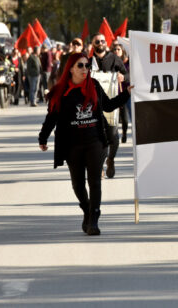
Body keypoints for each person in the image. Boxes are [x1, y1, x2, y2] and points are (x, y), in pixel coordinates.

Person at [38, 53, 132, 235]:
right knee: (78, 185)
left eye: (87, 66)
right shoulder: (60, 92)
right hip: (72, 145)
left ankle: (94, 220)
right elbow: (51, 118)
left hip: (95, 142)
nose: (85, 69)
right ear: (71, 68)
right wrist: (43, 138)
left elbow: (109, 105)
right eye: (80, 66)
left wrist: (126, 93)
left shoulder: (94, 86)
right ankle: (87, 209)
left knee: (95, 182)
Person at [90, 33, 129, 179]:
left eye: (102, 41)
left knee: (113, 135)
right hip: (96, 106)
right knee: (98, 138)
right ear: (93, 45)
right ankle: (99, 166)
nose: (100, 43)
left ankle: (110, 159)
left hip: (113, 102)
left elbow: (129, 75)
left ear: (106, 43)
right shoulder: (88, 62)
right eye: (97, 41)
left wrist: (123, 77)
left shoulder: (114, 59)